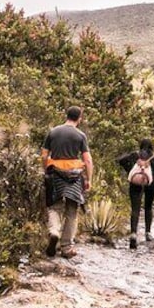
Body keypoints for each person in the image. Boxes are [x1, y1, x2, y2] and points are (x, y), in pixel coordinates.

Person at [41, 106, 93, 258]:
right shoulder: (80, 135)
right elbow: (87, 160)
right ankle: (66, 248)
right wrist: (88, 179)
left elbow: (44, 155)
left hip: (55, 173)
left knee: (54, 206)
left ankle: (54, 231)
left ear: (67, 115)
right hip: (75, 177)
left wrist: (46, 170)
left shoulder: (53, 132)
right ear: (79, 118)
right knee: (72, 211)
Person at [117, 138, 154, 249]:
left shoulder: (135, 155)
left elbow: (120, 160)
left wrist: (130, 170)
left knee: (135, 209)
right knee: (148, 207)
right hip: (151, 185)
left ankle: (133, 234)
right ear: (151, 147)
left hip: (136, 184)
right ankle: (148, 233)